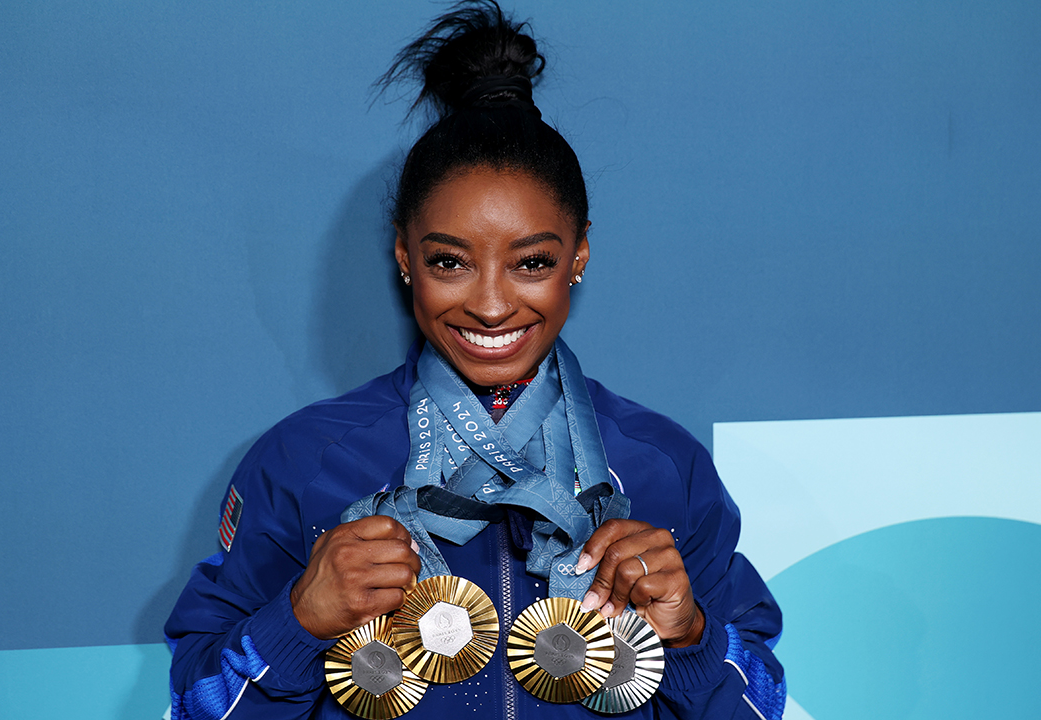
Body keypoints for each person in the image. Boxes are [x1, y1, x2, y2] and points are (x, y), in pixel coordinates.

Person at [165, 3, 784, 718]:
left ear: (578, 255)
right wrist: (295, 622)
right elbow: (193, 702)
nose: (491, 307)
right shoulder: (303, 462)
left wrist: (693, 637)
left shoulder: (662, 467)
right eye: (450, 262)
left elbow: (761, 703)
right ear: (404, 256)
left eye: (532, 262)